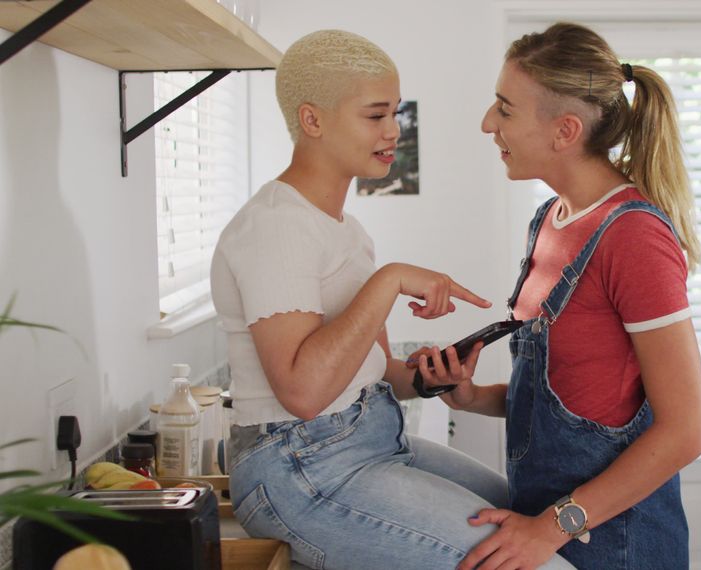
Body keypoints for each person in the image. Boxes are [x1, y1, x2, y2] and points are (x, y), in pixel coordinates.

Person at [209, 30, 572, 570]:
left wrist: (429, 377)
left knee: (532, 520)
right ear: (313, 121)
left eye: (394, 113)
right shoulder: (275, 228)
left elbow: (376, 372)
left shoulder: (346, 231)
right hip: (299, 468)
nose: (392, 131)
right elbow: (304, 392)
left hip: (372, 443)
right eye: (375, 115)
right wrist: (389, 281)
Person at [425, 21, 701, 570]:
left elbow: (686, 431)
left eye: (505, 109)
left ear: (565, 131)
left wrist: (550, 529)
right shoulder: (549, 220)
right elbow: (576, 398)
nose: (488, 123)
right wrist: (472, 395)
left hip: (614, 545)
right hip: (546, 532)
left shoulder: (633, 236)